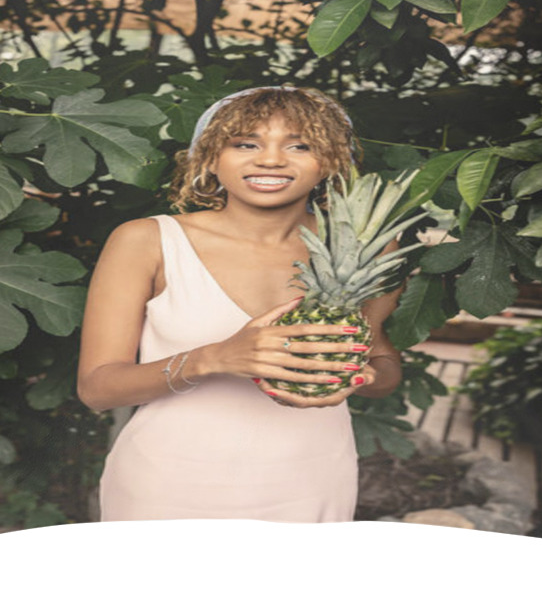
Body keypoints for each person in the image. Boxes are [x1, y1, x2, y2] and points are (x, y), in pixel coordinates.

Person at [77, 85, 404, 522]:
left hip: (314, 478)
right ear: (210, 157)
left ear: (328, 161)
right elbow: (97, 389)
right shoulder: (146, 240)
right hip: (168, 483)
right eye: (245, 144)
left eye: (300, 145)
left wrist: (360, 377)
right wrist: (214, 358)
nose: (270, 159)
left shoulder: (363, 249)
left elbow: (382, 362)